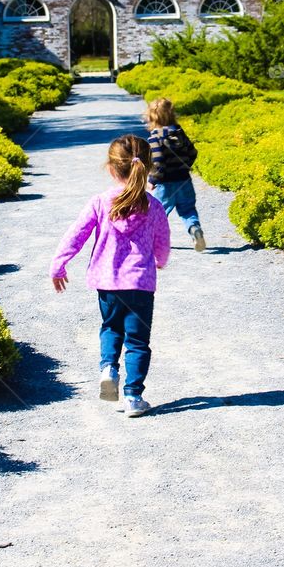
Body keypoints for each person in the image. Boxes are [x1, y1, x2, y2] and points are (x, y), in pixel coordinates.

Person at [50, 135, 170, 417]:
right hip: (140, 284)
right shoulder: (153, 205)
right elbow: (162, 242)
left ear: (112, 168)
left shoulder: (100, 202)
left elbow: (76, 234)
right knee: (138, 342)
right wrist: (160, 260)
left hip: (107, 283)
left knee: (111, 328)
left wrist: (59, 264)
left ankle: (108, 369)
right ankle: (133, 397)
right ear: (147, 166)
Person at [144, 98, 207, 252]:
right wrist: (184, 167)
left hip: (165, 184)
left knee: (158, 213)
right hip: (185, 181)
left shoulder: (154, 138)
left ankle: (152, 240)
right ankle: (195, 229)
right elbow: (193, 152)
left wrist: (152, 180)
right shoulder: (180, 133)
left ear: (151, 117)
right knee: (188, 210)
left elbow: (158, 162)